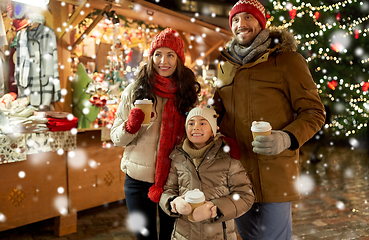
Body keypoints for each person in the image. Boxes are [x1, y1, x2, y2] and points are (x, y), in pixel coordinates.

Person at [213, 0, 326, 239]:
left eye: (248, 18)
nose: (240, 24)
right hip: (237, 173)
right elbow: (218, 112)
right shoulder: (225, 65)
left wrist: (286, 138)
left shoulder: (287, 61)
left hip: (274, 171)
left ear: (261, 23)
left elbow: (314, 112)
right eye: (235, 19)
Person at [110, 28, 200, 240]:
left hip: (174, 180)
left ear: (179, 58)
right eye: (158, 54)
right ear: (151, 57)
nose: (164, 61)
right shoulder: (135, 90)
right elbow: (116, 137)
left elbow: (194, 138)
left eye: (170, 54)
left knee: (172, 236)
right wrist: (131, 126)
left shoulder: (186, 93)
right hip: (137, 180)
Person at [159, 105, 255, 240]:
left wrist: (215, 209)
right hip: (183, 235)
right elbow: (168, 190)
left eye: (203, 123)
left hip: (218, 236)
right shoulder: (177, 157)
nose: (196, 127)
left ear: (214, 129)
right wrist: (173, 202)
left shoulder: (228, 158)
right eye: (191, 123)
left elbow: (246, 196)